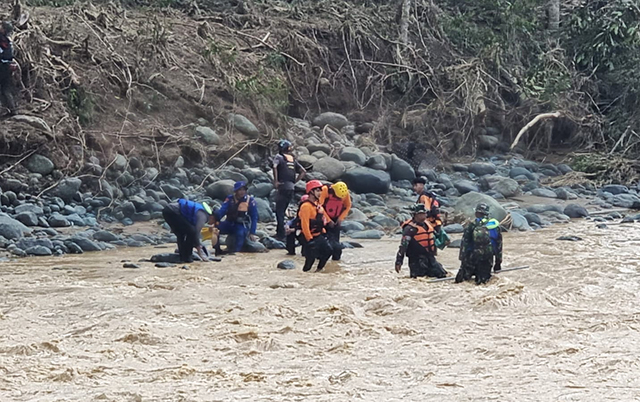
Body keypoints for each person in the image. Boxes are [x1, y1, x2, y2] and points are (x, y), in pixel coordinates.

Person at [455, 203, 503, 285]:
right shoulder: (494, 226)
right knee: (483, 282)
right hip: (487, 258)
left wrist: (462, 259)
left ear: (477, 213)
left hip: (471, 257)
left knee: (461, 281)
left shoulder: (472, 225)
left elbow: (465, 243)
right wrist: (498, 262)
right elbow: (498, 245)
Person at [395, 204, 448, 278]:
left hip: (430, 257)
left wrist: (444, 241)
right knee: (420, 277)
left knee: (441, 274)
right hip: (416, 259)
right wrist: (399, 261)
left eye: (424, 213)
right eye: (420, 214)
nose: (423, 216)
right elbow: (403, 246)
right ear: (415, 215)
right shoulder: (409, 229)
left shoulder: (428, 224)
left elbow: (435, 237)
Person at [273, 139, 306, 240]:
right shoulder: (292, 159)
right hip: (291, 188)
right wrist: (294, 182)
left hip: (283, 186)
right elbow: (303, 171)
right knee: (283, 210)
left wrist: (276, 181)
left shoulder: (279, 157)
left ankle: (280, 234)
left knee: (279, 211)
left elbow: (274, 167)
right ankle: (282, 232)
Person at [215, 181, 259, 254]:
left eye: (244, 189)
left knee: (240, 234)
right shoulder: (230, 199)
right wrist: (216, 219)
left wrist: (252, 232)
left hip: (241, 225)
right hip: (229, 223)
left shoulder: (250, 201)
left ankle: (236, 252)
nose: (242, 192)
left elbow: (254, 217)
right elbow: (222, 211)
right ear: (236, 191)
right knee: (215, 229)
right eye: (240, 190)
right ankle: (217, 250)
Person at [298, 180, 332, 272]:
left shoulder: (318, 205)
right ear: (311, 192)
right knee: (310, 259)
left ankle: (318, 271)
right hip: (308, 237)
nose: (320, 193)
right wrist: (309, 239)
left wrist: (327, 226)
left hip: (318, 235)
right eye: (317, 190)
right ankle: (304, 274)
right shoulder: (306, 206)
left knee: (328, 251)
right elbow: (305, 224)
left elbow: (323, 217)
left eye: (320, 190)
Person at [319, 181, 351, 261]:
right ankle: (320, 258)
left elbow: (348, 206)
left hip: (336, 218)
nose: (339, 199)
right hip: (323, 218)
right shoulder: (325, 190)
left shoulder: (345, 193)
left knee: (336, 241)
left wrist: (340, 218)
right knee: (322, 239)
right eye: (338, 197)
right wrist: (328, 220)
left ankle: (336, 259)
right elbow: (319, 206)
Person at [0, 21, 16, 115]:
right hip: (8, 66)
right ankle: (13, 109)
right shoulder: (8, 41)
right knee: (6, 88)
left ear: (3, 29)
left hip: (1, 66)